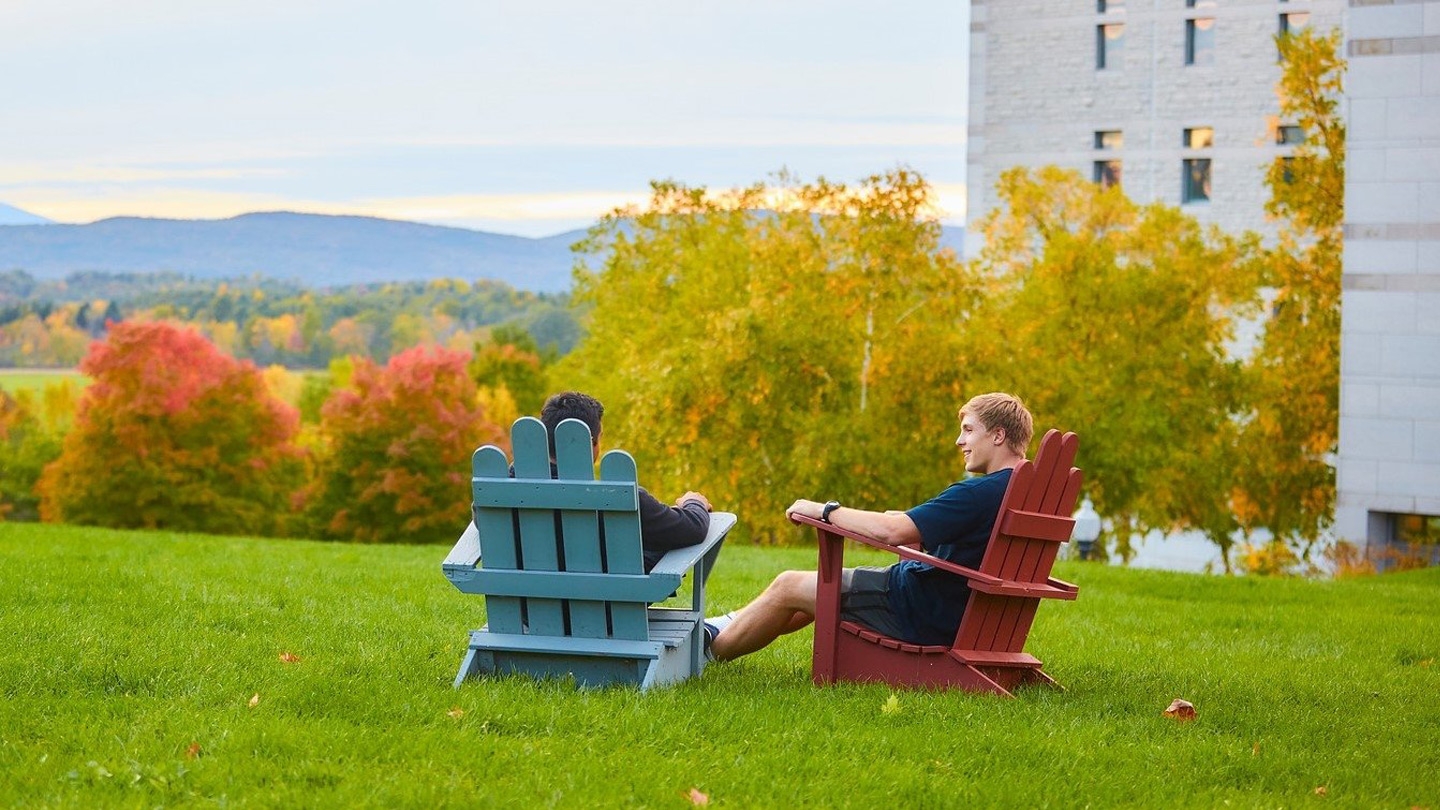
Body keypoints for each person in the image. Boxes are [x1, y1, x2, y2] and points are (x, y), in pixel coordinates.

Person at [706, 392, 1033, 661]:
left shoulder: (977, 493)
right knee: (816, 587)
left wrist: (826, 510)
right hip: (956, 610)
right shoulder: (1020, 492)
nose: (959, 440)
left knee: (789, 585)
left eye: (968, 430)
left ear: (999, 435)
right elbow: (971, 538)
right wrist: (908, 519)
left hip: (918, 611)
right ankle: (721, 627)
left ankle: (704, 655)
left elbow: (892, 533)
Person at [539, 391, 715, 572]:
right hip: (603, 598)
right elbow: (692, 529)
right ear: (590, 442)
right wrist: (694, 502)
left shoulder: (509, 486)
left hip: (524, 598)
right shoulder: (617, 497)